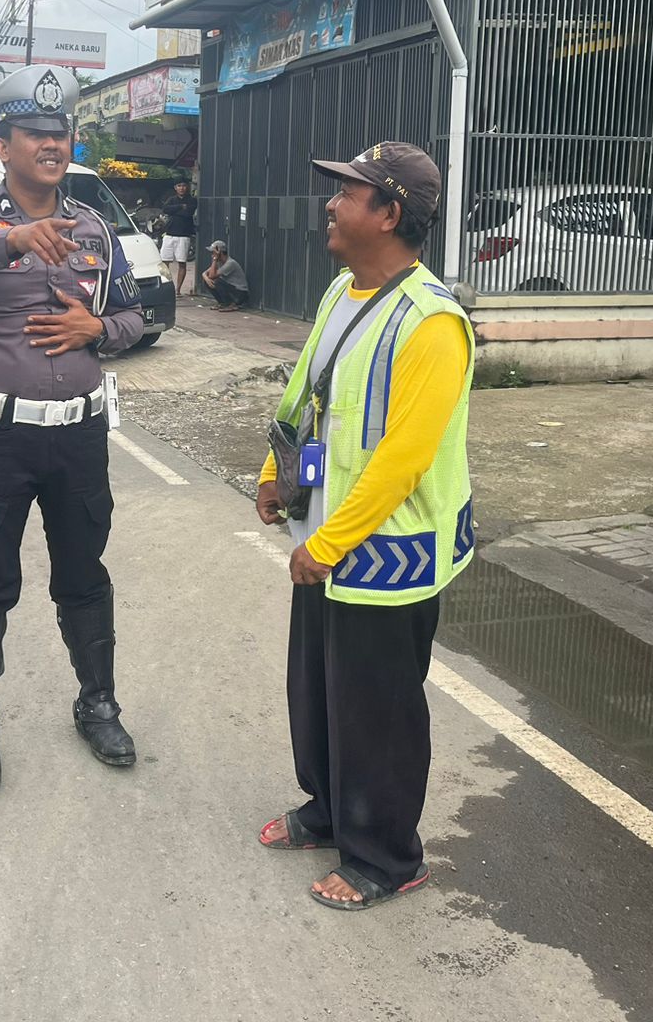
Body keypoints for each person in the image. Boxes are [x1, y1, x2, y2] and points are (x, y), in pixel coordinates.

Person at [254, 141, 474, 911]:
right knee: (318, 690)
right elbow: (303, 392)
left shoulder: (432, 324)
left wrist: (328, 544)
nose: (331, 204)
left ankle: (387, 857)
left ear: (388, 213)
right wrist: (274, 474)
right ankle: (328, 810)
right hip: (324, 539)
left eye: (348, 193)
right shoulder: (341, 293)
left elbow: (401, 460)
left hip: (387, 558)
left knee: (378, 711)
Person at [0, 64, 143, 792]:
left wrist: (98, 329)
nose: (52, 145)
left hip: (78, 436)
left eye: (61, 133)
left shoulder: (96, 228)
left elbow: (136, 313)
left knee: (84, 573)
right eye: (35, 134)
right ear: (3, 144)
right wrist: (16, 239)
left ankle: (98, 704)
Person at [158, 176, 198, 297]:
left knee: (182, 262)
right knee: (164, 262)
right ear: (175, 188)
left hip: (184, 236)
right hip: (169, 234)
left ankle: (178, 290)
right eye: (179, 186)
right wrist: (180, 207)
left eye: (184, 185)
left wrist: (175, 211)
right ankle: (166, 286)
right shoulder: (172, 199)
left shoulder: (191, 200)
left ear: (187, 187)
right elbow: (165, 209)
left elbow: (188, 213)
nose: (181, 188)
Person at [201, 240, 250, 311]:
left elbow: (212, 276)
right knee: (208, 281)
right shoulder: (219, 262)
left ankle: (230, 304)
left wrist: (215, 259)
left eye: (213, 253)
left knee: (217, 281)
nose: (212, 255)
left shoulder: (230, 263)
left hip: (240, 293)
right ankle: (223, 303)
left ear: (219, 253)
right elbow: (205, 273)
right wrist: (206, 278)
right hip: (232, 290)